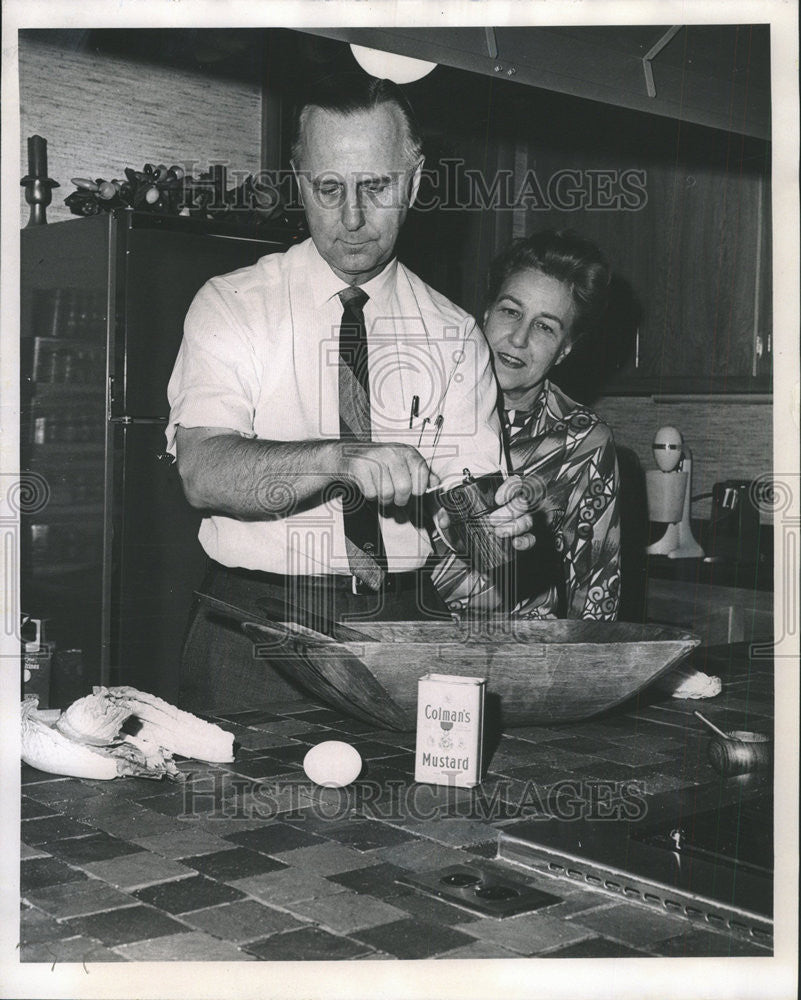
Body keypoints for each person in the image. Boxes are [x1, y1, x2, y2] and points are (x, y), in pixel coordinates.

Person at [166, 73, 535, 710]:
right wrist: (339, 458)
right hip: (254, 628)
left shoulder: (453, 333)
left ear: (415, 182)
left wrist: (498, 536)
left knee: (403, 809)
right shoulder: (232, 304)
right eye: (329, 188)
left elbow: (467, 511)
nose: (354, 218)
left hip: (403, 626)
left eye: (377, 186)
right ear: (299, 179)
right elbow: (202, 471)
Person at [433, 229, 621, 621]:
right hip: (417, 649)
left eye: (545, 326)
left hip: (528, 660)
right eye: (511, 311)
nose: (518, 338)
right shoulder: (423, 410)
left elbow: (596, 592)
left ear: (565, 349)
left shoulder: (583, 441)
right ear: (485, 313)